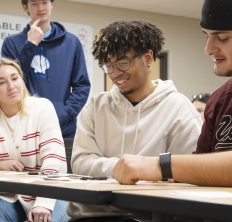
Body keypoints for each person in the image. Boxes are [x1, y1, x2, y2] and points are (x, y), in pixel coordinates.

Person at [113, 0, 232, 189]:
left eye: (222, 38)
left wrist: (160, 165)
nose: (208, 49)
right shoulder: (221, 99)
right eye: (207, 36)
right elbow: (199, 170)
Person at [67, 20, 203, 221]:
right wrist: (122, 168)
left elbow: (190, 170)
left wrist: (146, 171)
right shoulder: (97, 106)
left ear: (148, 57)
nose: (115, 73)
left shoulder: (178, 108)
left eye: (122, 62)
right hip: (91, 214)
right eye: (108, 66)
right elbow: (80, 161)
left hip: (146, 215)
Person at [0, 58, 70, 222]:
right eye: (1, 82)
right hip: (8, 198)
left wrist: (43, 203)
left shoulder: (43, 108)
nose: (11, 86)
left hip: (51, 194)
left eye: (15, 78)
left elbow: (54, 160)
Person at [1, 0, 91, 138]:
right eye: (34, 3)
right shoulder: (11, 43)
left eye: (44, 2)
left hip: (63, 127)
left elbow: (82, 85)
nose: (41, 8)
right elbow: (11, 81)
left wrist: (65, 114)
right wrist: (30, 45)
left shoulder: (71, 42)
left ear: (52, 4)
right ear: (26, 7)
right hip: (24, 126)